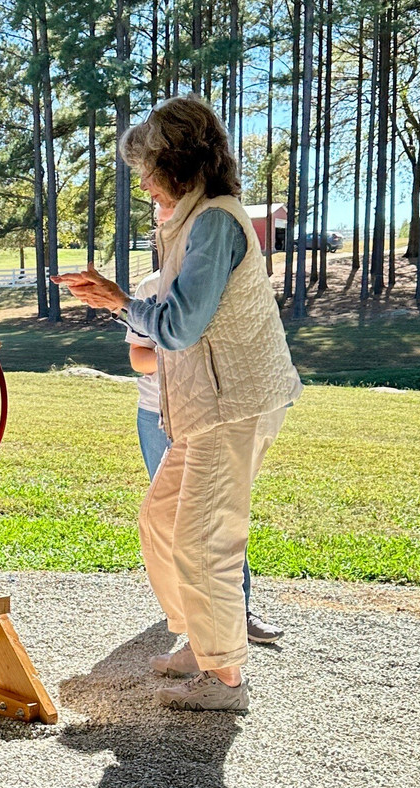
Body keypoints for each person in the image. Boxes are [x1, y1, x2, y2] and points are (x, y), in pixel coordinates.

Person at [55, 95, 302, 711]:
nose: (143, 183)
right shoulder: (191, 222)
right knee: (162, 521)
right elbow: (172, 326)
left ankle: (225, 679)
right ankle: (202, 642)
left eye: (147, 169)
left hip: (233, 403)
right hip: (206, 406)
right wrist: (118, 302)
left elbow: (181, 327)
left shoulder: (214, 222)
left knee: (203, 539)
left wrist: (118, 301)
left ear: (180, 163)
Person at [128, 215, 287, 647]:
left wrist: (189, 349)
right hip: (158, 415)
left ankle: (238, 611)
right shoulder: (150, 288)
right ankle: (193, 623)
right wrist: (184, 352)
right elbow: (139, 358)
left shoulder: (225, 282)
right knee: (169, 521)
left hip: (213, 414)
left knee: (216, 517)